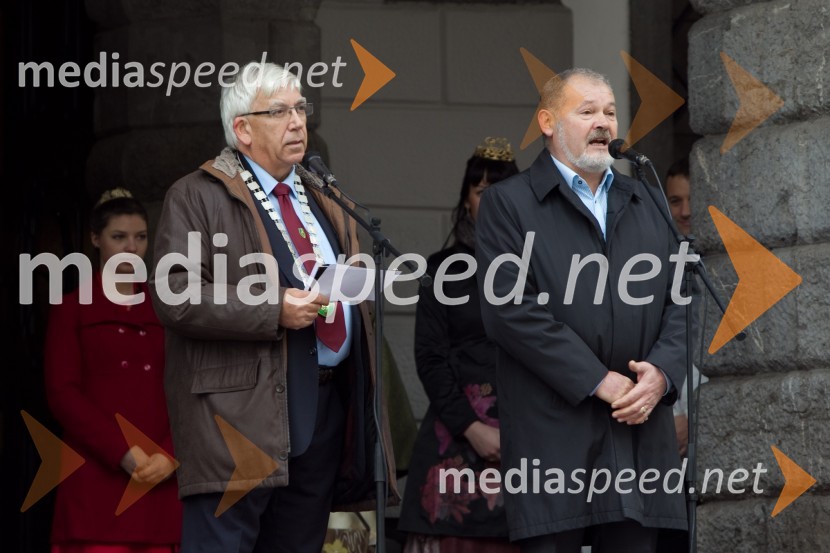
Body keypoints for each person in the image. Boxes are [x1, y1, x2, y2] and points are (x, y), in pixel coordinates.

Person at [149, 61, 396, 553]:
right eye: (280, 111)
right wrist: (270, 307)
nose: (298, 121)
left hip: (323, 409)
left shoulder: (321, 192)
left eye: (301, 108)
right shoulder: (198, 195)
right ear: (242, 128)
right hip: (238, 418)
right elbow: (174, 294)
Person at [475, 68, 687, 553]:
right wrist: (601, 381)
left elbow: (683, 297)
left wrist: (662, 373)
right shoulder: (510, 204)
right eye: (587, 111)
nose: (603, 123)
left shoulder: (648, 201)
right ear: (547, 121)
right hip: (554, 435)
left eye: (610, 112)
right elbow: (510, 311)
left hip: (638, 431)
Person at [398, 137, 520, 553]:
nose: (491, 200)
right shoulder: (441, 271)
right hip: (455, 441)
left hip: (530, 440)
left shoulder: (546, 268)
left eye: (502, 192)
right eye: (482, 191)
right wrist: (473, 428)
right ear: (466, 199)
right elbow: (429, 358)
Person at [44, 188, 182, 553]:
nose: (131, 248)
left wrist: (171, 454)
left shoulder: (166, 309)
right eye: (118, 237)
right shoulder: (72, 307)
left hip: (160, 483)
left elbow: (188, 389)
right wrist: (121, 451)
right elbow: (62, 392)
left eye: (140, 237)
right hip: (96, 480)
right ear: (95, 239)